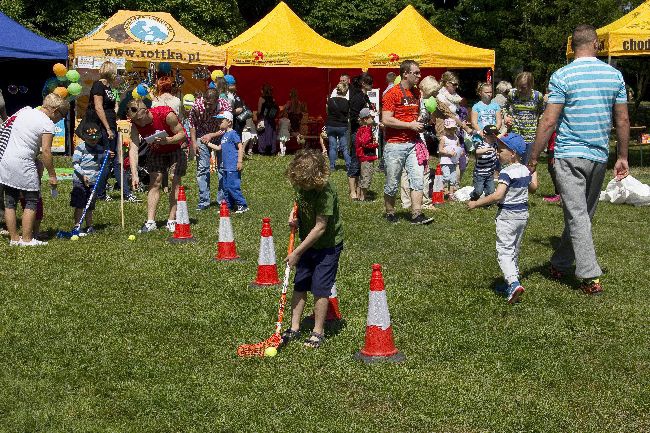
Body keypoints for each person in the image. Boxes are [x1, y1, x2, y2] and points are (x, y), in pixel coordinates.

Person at [527, 24, 630, 295]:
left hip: (568, 155)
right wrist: (622, 156)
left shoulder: (562, 75)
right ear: (596, 44)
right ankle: (569, 266)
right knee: (580, 215)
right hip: (598, 155)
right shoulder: (614, 76)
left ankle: (584, 273)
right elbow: (622, 119)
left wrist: (533, 155)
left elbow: (549, 120)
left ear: (572, 47)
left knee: (579, 215)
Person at [282, 149, 343, 349]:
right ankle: (294, 327)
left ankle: (318, 331)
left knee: (320, 287)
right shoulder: (303, 187)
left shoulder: (326, 192)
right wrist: (294, 216)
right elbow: (298, 205)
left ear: (316, 177)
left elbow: (320, 227)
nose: (300, 186)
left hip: (327, 246)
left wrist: (297, 252)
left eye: (303, 182)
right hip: (306, 243)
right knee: (300, 284)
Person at [468, 133, 539, 304]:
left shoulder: (506, 172)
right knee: (514, 249)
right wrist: (533, 173)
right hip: (522, 216)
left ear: (513, 153)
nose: (497, 152)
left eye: (501, 150)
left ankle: (513, 283)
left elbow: (498, 195)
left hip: (507, 216)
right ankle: (511, 281)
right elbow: (534, 188)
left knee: (504, 251)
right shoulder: (524, 170)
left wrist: (476, 203)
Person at [0, 93, 68, 246]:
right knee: (31, 200)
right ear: (55, 110)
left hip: (6, 160)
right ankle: (27, 239)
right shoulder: (47, 124)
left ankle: (14, 239)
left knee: (10, 202)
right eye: (62, 115)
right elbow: (46, 151)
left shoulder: (25, 110)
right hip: (23, 163)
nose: (61, 119)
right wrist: (52, 175)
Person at [381, 60, 434, 225]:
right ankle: (390, 212)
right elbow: (386, 120)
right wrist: (410, 125)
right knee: (392, 182)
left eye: (419, 73)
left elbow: (416, 115)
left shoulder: (417, 93)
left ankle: (416, 214)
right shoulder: (392, 94)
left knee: (418, 179)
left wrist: (420, 121)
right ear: (405, 74)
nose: (419, 76)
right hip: (394, 144)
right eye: (416, 73)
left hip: (413, 143)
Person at [126, 99, 188, 234]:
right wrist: (134, 174)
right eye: (135, 121)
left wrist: (169, 140)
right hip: (156, 150)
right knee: (155, 182)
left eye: (140, 120)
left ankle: (171, 220)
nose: (138, 123)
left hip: (175, 148)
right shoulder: (135, 124)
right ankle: (150, 222)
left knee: (174, 179)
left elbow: (182, 134)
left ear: (147, 112)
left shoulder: (166, 114)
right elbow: (133, 148)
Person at [90, 61, 136, 203]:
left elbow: (112, 106)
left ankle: (126, 193)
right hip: (103, 127)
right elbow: (98, 108)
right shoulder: (98, 85)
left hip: (111, 125)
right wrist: (108, 128)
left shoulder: (110, 87)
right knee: (107, 159)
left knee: (117, 160)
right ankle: (100, 193)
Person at [71, 122, 112, 235]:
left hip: (94, 181)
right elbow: (75, 164)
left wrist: (108, 156)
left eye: (95, 139)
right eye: (90, 140)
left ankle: (89, 226)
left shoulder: (99, 148)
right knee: (80, 204)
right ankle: (77, 226)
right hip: (80, 180)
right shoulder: (80, 148)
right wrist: (83, 175)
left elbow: (103, 161)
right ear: (84, 137)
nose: (93, 142)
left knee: (90, 204)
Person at [189, 88, 224, 210]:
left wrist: (212, 135)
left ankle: (222, 200)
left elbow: (226, 127)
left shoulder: (224, 106)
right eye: (206, 102)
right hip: (201, 136)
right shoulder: (197, 106)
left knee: (222, 168)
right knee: (202, 168)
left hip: (220, 136)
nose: (207, 106)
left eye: (210, 104)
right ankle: (204, 200)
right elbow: (192, 124)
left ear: (217, 101)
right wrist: (194, 143)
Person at [504, 72, 544, 163]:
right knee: (513, 162)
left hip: (530, 135)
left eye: (523, 87)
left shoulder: (537, 96)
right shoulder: (512, 94)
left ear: (530, 85)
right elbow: (504, 108)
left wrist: (540, 122)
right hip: (515, 133)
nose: (520, 89)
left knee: (527, 163)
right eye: (518, 86)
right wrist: (506, 116)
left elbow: (543, 111)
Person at [215, 111, 248, 213]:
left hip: (233, 166)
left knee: (232, 186)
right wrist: (207, 143)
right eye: (218, 121)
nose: (219, 123)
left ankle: (242, 205)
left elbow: (240, 146)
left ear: (229, 122)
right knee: (225, 187)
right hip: (225, 166)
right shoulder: (224, 135)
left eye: (221, 121)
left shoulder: (233, 133)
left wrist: (240, 161)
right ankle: (229, 206)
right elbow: (219, 147)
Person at [348, 73, 374, 200]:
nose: (372, 85)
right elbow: (352, 117)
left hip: (365, 132)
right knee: (355, 160)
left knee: (362, 160)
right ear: (363, 84)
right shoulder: (358, 97)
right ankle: (352, 191)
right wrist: (364, 121)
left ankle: (359, 191)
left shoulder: (364, 97)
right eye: (370, 82)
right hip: (357, 133)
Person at [325, 82, 351, 171]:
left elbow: (327, 112)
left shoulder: (330, 100)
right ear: (344, 91)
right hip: (342, 126)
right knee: (344, 147)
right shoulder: (347, 102)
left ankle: (332, 166)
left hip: (331, 124)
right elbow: (348, 114)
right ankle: (348, 165)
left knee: (332, 146)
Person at [355, 108, 378, 201]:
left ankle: (359, 195)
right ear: (365, 119)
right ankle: (363, 197)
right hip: (367, 156)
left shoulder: (362, 129)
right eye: (371, 117)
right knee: (366, 176)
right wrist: (376, 144)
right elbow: (365, 143)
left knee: (362, 175)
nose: (373, 119)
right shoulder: (366, 129)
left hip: (362, 156)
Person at [470, 125, 499, 201]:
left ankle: (486, 202)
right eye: (491, 136)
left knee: (491, 191)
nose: (494, 138)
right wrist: (486, 150)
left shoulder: (495, 144)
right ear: (485, 135)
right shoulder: (481, 145)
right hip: (479, 174)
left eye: (495, 136)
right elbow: (477, 152)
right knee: (478, 191)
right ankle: (473, 196)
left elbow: (496, 153)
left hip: (490, 173)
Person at [439, 118, 462, 198]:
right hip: (445, 161)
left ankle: (451, 194)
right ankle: (442, 191)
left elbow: (459, 148)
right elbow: (440, 150)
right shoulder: (443, 138)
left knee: (453, 179)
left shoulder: (456, 138)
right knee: (446, 177)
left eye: (453, 129)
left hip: (453, 161)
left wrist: (460, 152)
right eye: (449, 129)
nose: (451, 131)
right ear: (445, 129)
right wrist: (448, 153)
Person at [257, 84, 278, 155]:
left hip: (264, 119)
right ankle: (271, 150)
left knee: (262, 133)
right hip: (271, 119)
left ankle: (262, 150)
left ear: (263, 90)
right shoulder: (273, 99)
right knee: (271, 134)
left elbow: (259, 111)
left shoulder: (261, 99)